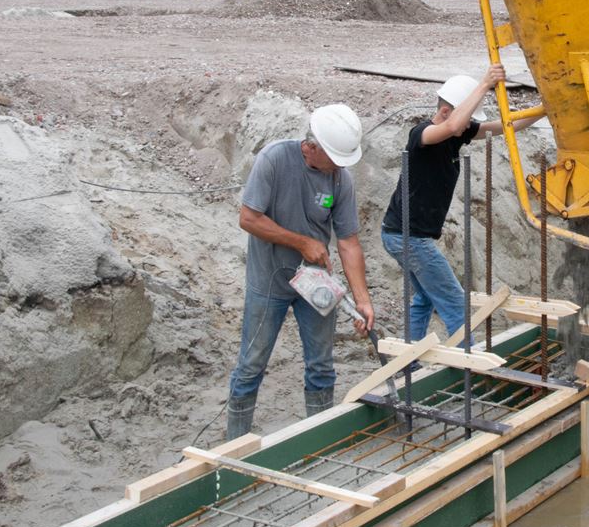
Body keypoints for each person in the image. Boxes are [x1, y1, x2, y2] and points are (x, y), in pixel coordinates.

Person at [226, 103, 376, 440]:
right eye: (335, 157)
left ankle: (319, 441)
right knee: (251, 366)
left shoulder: (341, 180)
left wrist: (362, 300)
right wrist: (301, 242)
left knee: (321, 367)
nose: (339, 166)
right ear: (312, 147)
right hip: (269, 281)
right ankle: (233, 447)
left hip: (314, 283)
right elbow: (248, 218)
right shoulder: (274, 160)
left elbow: (349, 242)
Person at [381, 64, 540, 342]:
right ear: (445, 112)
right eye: (467, 120)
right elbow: (455, 124)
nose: (468, 127)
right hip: (408, 237)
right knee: (455, 303)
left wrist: (543, 110)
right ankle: (471, 367)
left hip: (404, 235)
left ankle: (410, 361)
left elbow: (505, 126)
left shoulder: (456, 135)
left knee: (424, 299)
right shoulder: (422, 134)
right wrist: (484, 84)